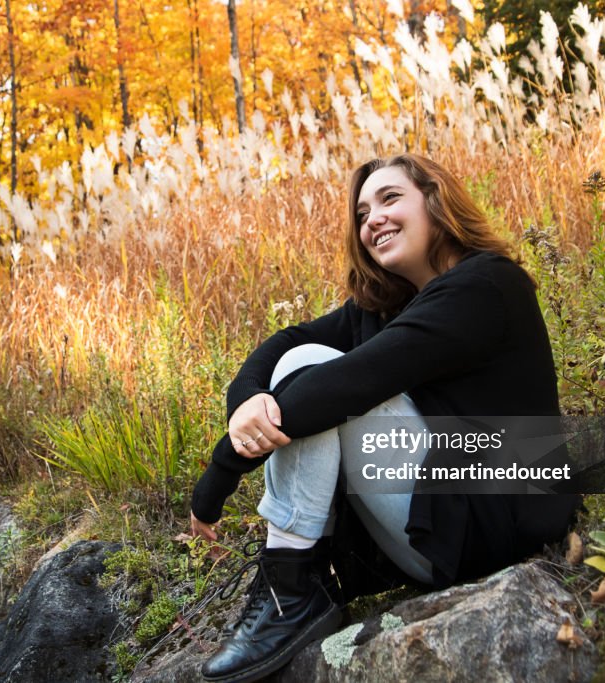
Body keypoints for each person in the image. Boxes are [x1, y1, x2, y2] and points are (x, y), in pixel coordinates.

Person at [188, 153, 581, 683]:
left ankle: (291, 591)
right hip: (440, 527)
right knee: (300, 360)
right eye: (362, 212)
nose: (373, 218)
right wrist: (243, 406)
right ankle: (297, 583)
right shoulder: (387, 307)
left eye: (391, 198)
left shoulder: (486, 286)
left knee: (319, 376)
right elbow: (286, 341)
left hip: (495, 527)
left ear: (437, 202)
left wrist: (220, 471)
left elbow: (352, 383)